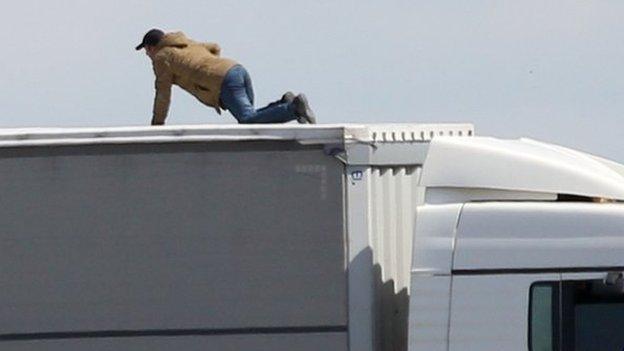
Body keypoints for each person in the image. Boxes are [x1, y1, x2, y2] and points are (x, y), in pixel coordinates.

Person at [135, 29, 316, 125]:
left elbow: (162, 93)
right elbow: (214, 47)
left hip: (225, 80)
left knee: (247, 121)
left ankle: (294, 108)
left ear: (152, 47)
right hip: (236, 69)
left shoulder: (162, 57)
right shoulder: (186, 44)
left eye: (146, 50)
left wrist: (157, 124)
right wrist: (212, 68)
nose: (147, 55)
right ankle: (284, 103)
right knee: (254, 120)